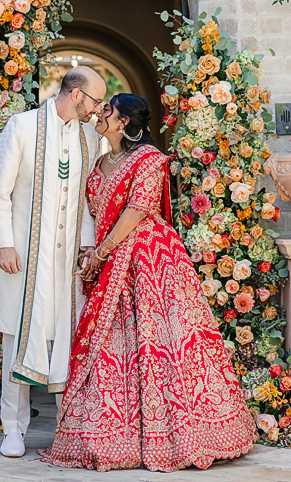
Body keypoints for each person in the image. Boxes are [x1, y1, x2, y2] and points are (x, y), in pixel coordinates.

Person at [40, 93, 256, 472]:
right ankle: (111, 437)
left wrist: (103, 251)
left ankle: (183, 436)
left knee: (162, 343)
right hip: (110, 261)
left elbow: (140, 208)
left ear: (124, 121)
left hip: (149, 258)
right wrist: (90, 254)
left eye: (106, 110)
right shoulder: (100, 162)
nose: (98, 114)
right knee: (113, 345)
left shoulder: (149, 160)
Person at [0, 66, 106, 458]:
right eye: (95, 100)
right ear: (76, 95)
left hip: (67, 260)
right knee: (18, 339)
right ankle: (13, 429)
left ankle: (66, 428)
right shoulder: (21, 126)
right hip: (23, 258)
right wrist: (4, 244)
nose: (97, 109)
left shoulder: (92, 139)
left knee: (67, 340)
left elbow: (90, 202)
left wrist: (88, 249)